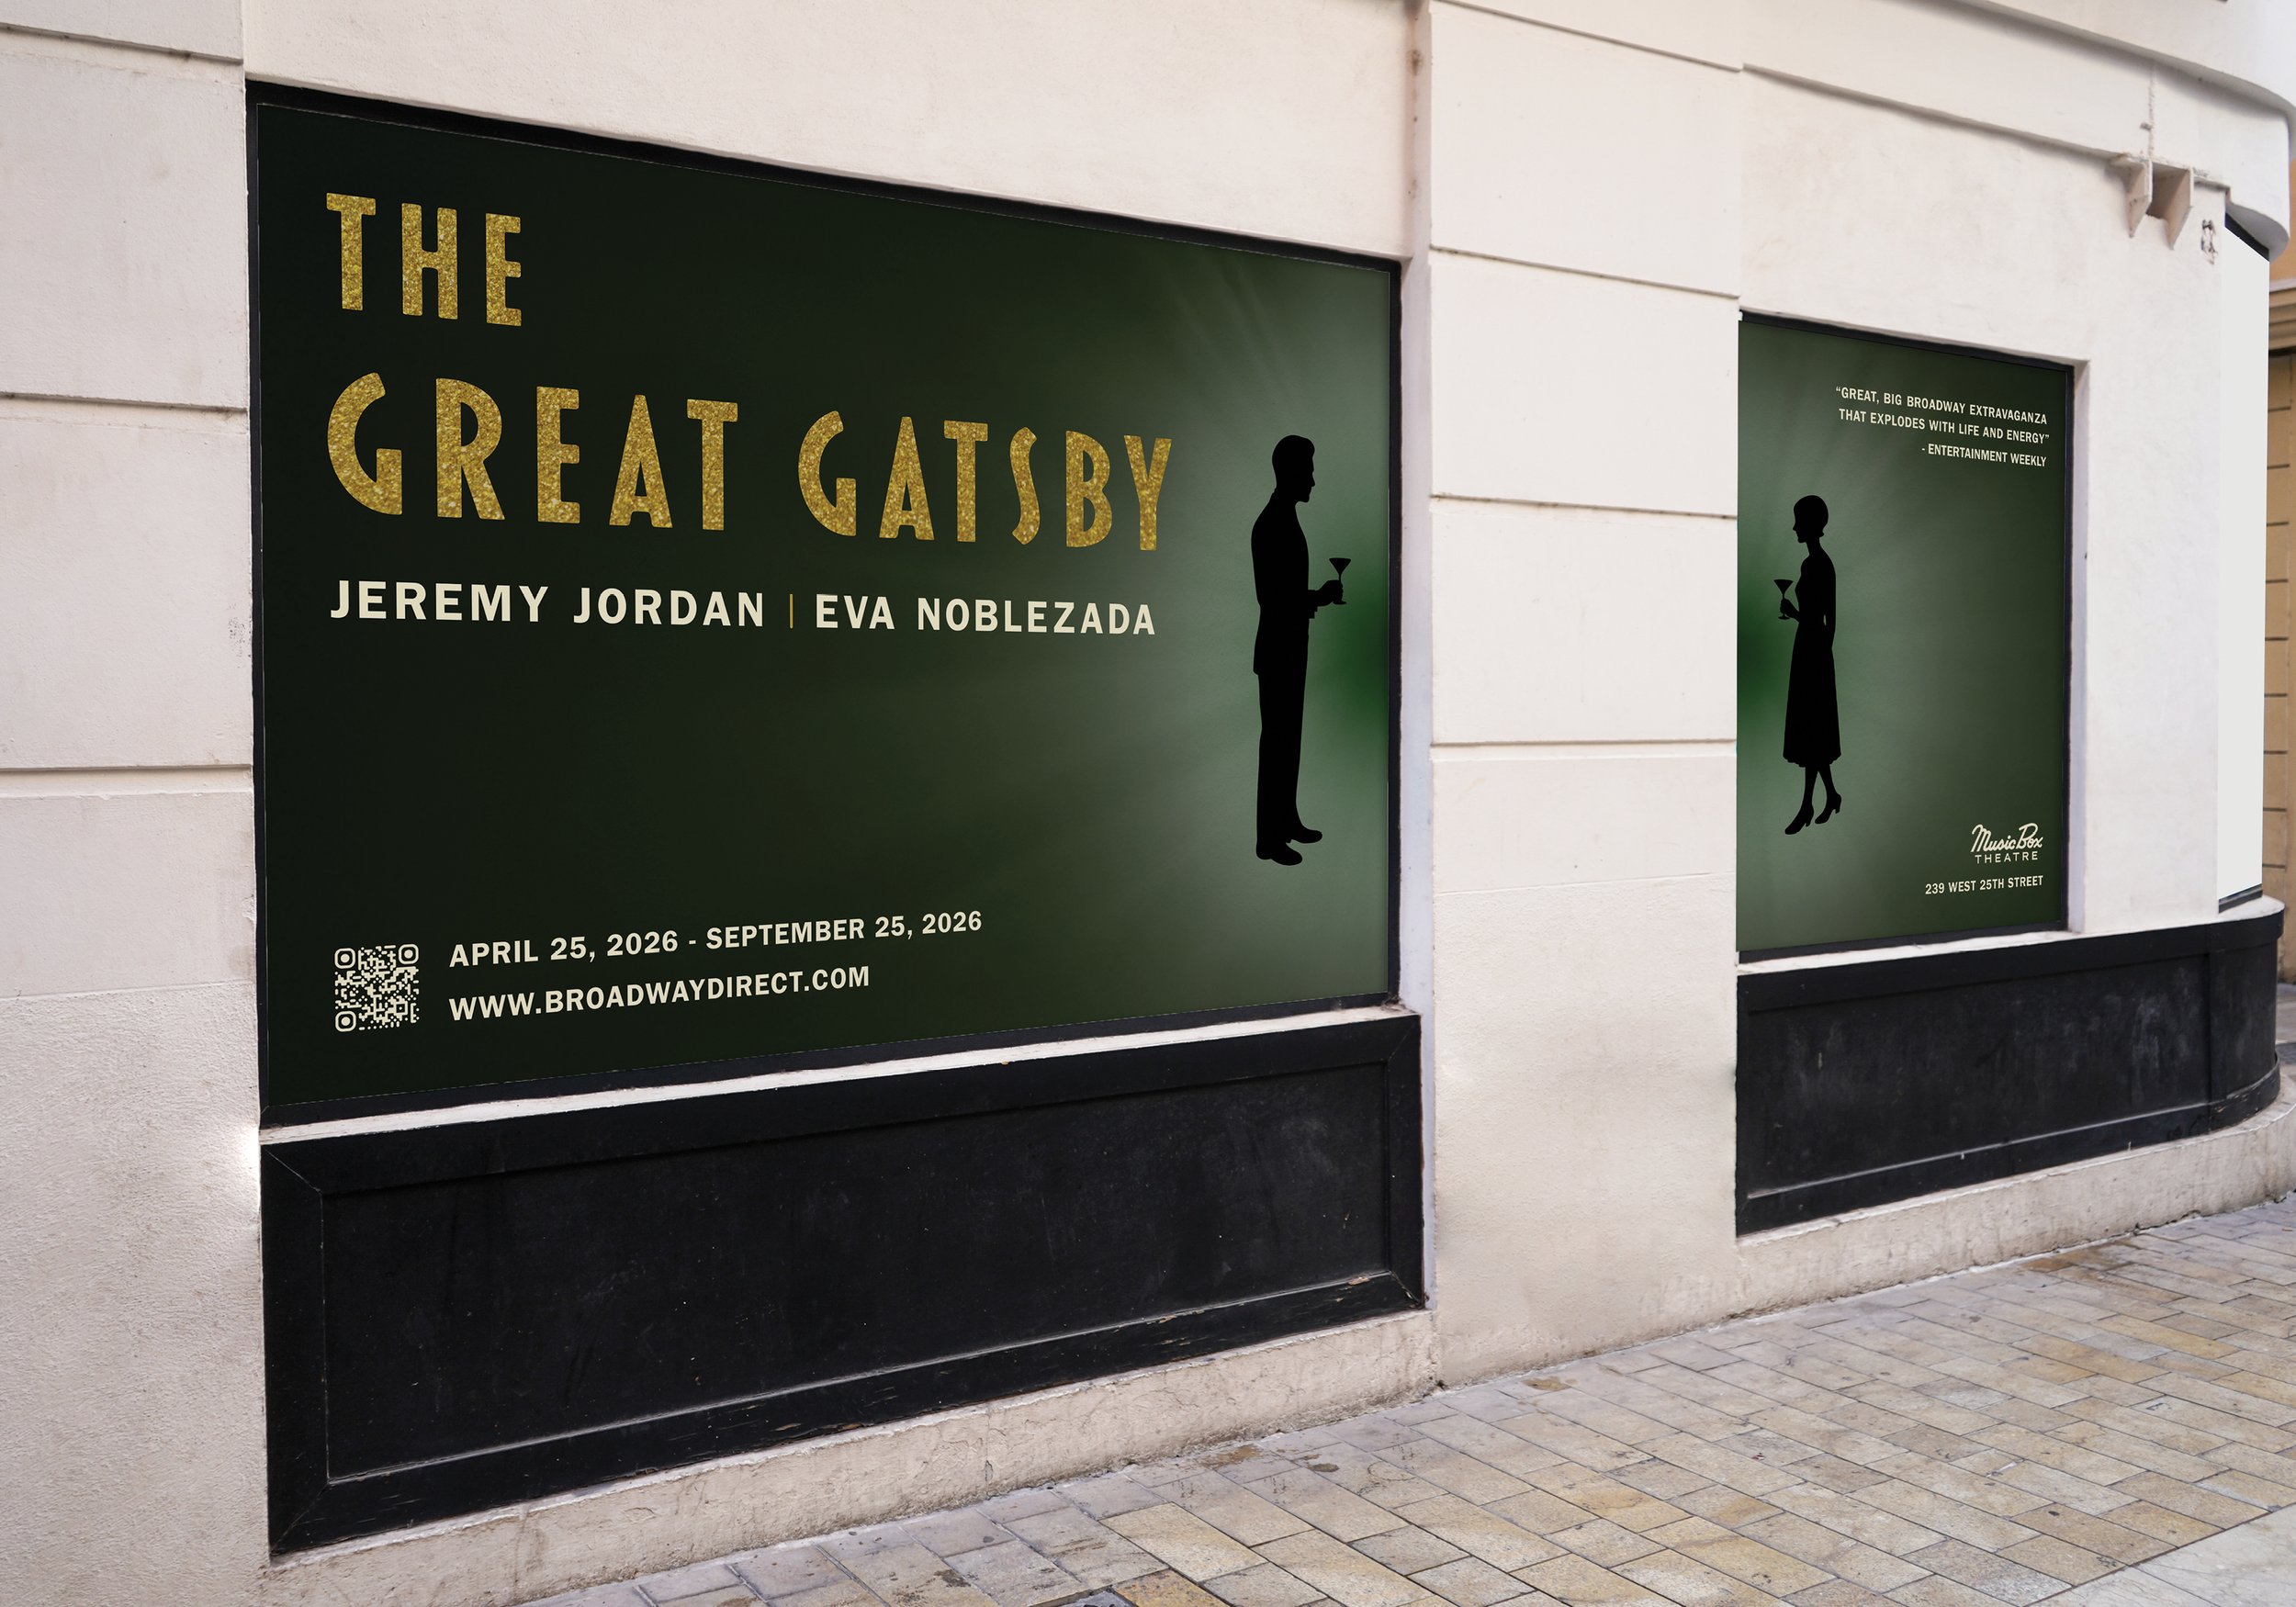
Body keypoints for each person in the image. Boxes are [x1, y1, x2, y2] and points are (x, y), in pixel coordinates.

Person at [1252, 435, 1344, 865]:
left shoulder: (1283, 520)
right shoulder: (1272, 524)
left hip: (1289, 648)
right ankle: (1268, 839)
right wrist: (1317, 598)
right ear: (1289, 472)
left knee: (1288, 742)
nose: (1312, 480)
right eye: (1307, 470)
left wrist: (1313, 599)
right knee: (1277, 745)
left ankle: (1285, 821)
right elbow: (1271, 597)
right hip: (1278, 651)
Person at [1779, 492, 1841, 834]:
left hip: (1812, 652)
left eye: (1798, 521)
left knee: (1812, 733)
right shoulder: (1818, 563)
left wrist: (1820, 658)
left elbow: (1828, 620)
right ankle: (1828, 796)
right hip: (1811, 649)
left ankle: (1809, 805)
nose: (1793, 528)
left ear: (1809, 524)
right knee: (1813, 733)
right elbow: (1822, 621)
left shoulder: (1817, 564)